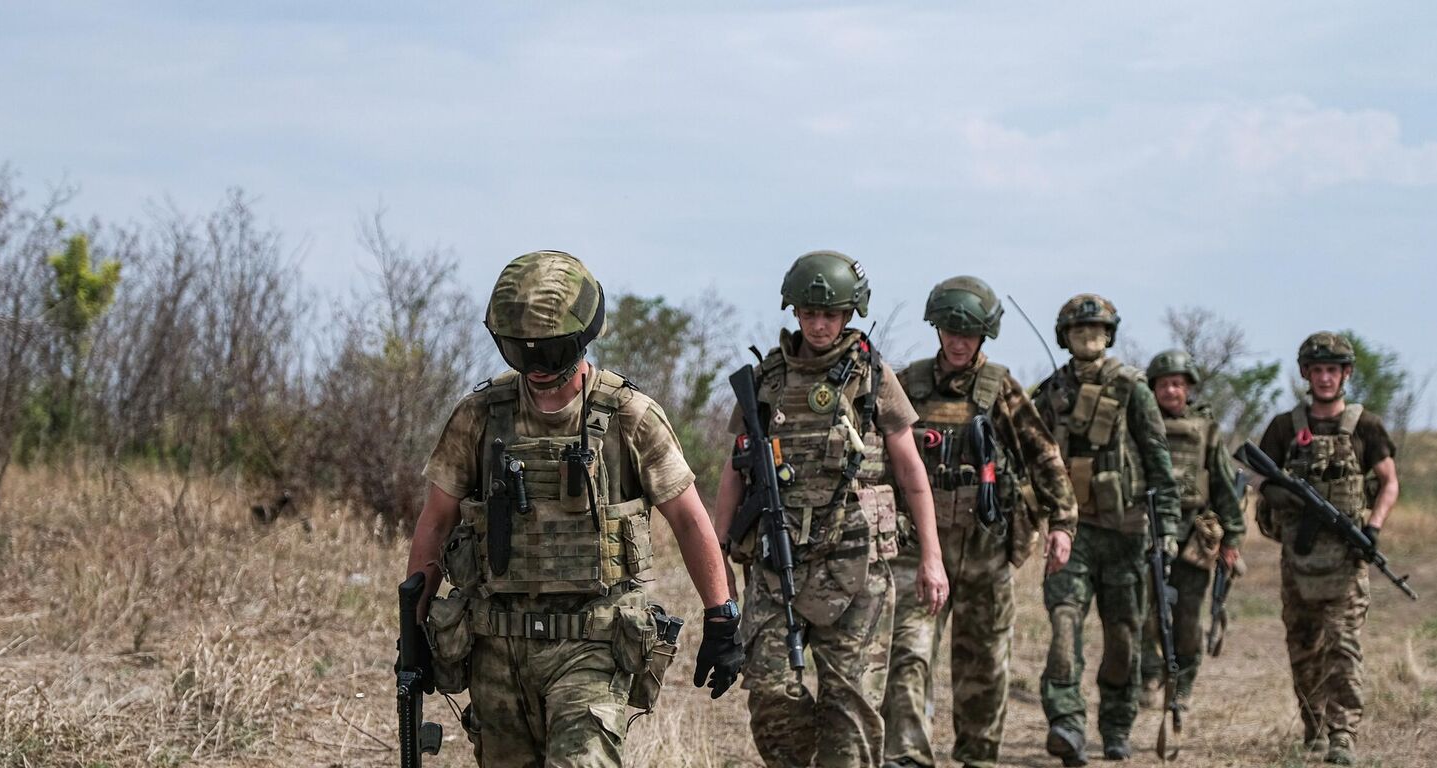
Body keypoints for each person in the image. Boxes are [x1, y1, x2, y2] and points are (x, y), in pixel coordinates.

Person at [403, 250, 744, 767]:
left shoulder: (629, 416)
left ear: (583, 336)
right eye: (522, 353)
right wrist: (415, 628)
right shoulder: (479, 416)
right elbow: (436, 520)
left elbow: (688, 518)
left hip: (593, 646)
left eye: (550, 351)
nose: (538, 369)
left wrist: (721, 616)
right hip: (496, 649)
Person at [712, 250, 950, 768]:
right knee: (770, 692)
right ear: (794, 312)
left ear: (849, 314)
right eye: (809, 313)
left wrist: (931, 558)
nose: (819, 325)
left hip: (857, 565)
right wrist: (719, 556)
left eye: (831, 314)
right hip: (776, 562)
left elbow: (911, 471)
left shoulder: (872, 375)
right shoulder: (766, 379)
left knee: (851, 707)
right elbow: (734, 470)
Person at [879, 277, 1077, 768]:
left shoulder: (1000, 388)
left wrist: (1062, 522)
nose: (958, 342)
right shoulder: (906, 386)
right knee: (907, 654)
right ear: (936, 328)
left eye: (968, 333)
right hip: (918, 548)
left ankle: (978, 756)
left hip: (985, 547)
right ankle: (907, 756)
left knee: (984, 662)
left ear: (985, 334)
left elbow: (1044, 456)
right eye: (950, 331)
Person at [1030, 293, 1181, 765]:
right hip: (1071, 531)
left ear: (1110, 335)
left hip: (1127, 533)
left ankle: (1116, 726)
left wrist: (1167, 528)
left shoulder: (1132, 388)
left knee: (1123, 637)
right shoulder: (1050, 392)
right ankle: (1067, 723)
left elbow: (1158, 459)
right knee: (1064, 624)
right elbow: (1029, 455)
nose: (1088, 337)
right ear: (1065, 337)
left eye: (1096, 329)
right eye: (1079, 330)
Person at [1252, 331, 1400, 766]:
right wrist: (1278, 492)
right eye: (1316, 370)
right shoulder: (1285, 426)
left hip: (1345, 559)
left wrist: (1373, 528)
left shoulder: (1366, 426)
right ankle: (1313, 729)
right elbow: (1255, 474)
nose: (1324, 378)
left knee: (1343, 647)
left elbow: (1389, 482)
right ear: (1305, 374)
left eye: (1332, 370)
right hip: (1298, 560)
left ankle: (1343, 734)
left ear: (1346, 374)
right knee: (1303, 646)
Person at [1135, 349, 1246, 718]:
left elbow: (1225, 485)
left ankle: (1183, 683)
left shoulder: (1205, 430)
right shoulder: (1138, 425)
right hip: (1148, 530)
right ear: (1153, 388)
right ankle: (1150, 674)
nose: (1171, 391)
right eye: (1164, 384)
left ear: (1189, 388)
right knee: (1144, 610)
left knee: (1188, 616)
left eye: (1178, 384)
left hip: (1194, 535)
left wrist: (1231, 538)